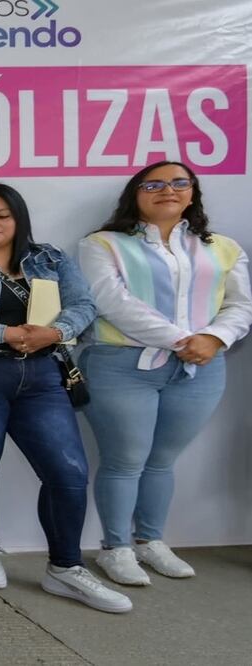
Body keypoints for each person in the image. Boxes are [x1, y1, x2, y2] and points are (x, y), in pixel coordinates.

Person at [0, 183, 132, 613]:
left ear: (18, 218)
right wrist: (6, 334)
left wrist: (54, 333)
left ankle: (65, 568)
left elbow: (84, 306)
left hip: (41, 377)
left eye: (1, 215)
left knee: (68, 471)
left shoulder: (51, 259)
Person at [78, 161, 252, 586]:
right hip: (122, 366)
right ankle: (115, 548)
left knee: (161, 462)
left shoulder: (223, 247)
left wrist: (213, 339)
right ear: (134, 194)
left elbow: (240, 304)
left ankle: (150, 541)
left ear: (192, 193)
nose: (167, 190)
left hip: (201, 368)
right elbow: (111, 302)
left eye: (179, 183)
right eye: (153, 184)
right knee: (124, 461)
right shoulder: (102, 244)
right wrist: (182, 340)